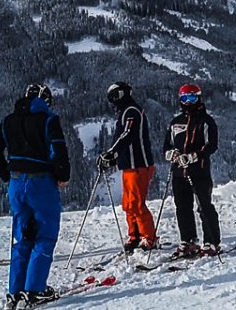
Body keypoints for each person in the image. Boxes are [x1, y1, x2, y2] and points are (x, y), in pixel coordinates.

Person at [0, 84, 71, 308]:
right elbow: (58, 151)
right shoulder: (48, 120)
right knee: (45, 235)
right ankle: (35, 290)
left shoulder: (8, 121)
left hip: (16, 181)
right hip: (40, 182)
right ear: (45, 100)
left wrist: (6, 173)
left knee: (23, 236)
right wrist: (63, 176)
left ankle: (15, 291)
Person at [95, 81, 158, 251]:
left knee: (137, 204)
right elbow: (122, 139)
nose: (113, 101)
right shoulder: (125, 112)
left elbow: (127, 135)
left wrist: (112, 153)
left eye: (115, 96)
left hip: (139, 164)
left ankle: (149, 237)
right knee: (128, 204)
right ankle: (135, 236)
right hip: (129, 165)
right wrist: (113, 157)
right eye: (110, 98)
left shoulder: (131, 111)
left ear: (123, 94)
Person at [164, 83, 222, 258]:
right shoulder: (175, 122)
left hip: (199, 171)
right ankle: (188, 240)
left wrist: (193, 157)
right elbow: (167, 145)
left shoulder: (206, 121)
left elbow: (212, 145)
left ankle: (211, 241)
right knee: (182, 207)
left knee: (204, 206)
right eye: (184, 99)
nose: (188, 102)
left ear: (198, 98)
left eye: (191, 98)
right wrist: (171, 154)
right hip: (178, 172)